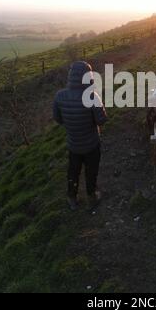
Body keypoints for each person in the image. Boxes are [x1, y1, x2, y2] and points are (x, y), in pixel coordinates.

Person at [53, 61, 107, 211]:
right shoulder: (92, 96)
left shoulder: (59, 96)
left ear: (70, 76)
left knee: (73, 171)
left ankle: (72, 197)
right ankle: (91, 195)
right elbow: (102, 120)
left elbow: (58, 119)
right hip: (91, 144)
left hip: (73, 144)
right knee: (91, 171)